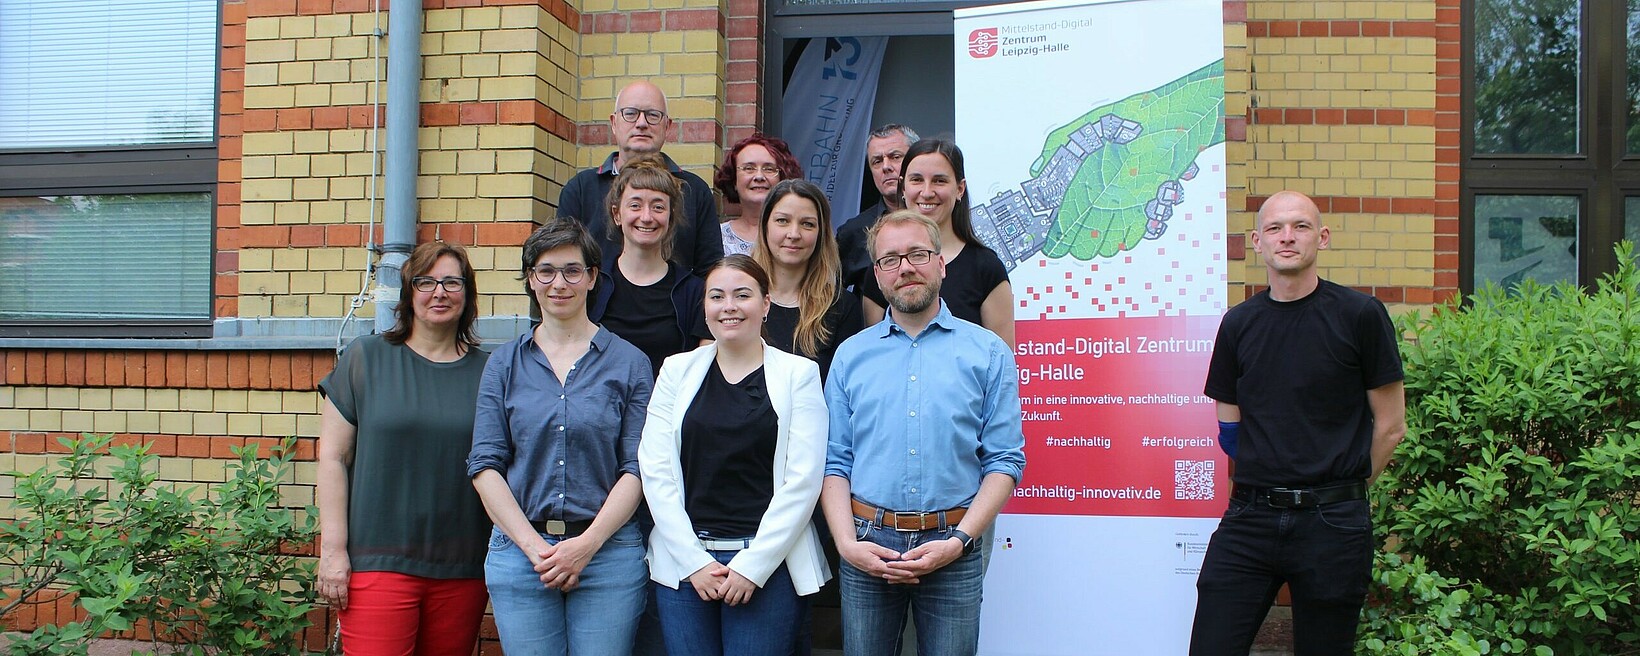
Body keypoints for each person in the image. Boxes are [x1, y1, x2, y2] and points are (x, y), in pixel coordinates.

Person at [1188, 190, 1407, 655]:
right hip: (1250, 519)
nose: (1287, 237)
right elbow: (1229, 428)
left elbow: (1390, 426)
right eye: (1275, 228)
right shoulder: (1239, 323)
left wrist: (1342, 484)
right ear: (1257, 242)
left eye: (1300, 227)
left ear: (1321, 238)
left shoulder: (1360, 316)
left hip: (1332, 522)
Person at [820, 210, 1025, 656]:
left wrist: (958, 542)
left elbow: (1005, 460)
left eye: (917, 253)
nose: (905, 267)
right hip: (866, 546)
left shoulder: (988, 352)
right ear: (877, 275)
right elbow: (834, 461)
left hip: (954, 545)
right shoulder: (850, 356)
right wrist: (846, 545)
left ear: (940, 263)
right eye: (890, 259)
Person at [468, 219, 654, 656]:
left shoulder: (630, 363)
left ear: (592, 277)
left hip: (607, 552)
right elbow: (485, 465)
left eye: (573, 270)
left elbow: (638, 467)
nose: (559, 283)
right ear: (531, 280)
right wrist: (536, 549)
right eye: (545, 271)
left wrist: (584, 547)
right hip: (520, 552)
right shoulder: (503, 364)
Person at [639, 255, 831, 656]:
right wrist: (693, 561)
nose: (729, 306)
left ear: (765, 304)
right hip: (685, 564)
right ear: (704, 307)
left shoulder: (799, 375)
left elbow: (804, 480)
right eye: (717, 296)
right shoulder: (676, 371)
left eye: (742, 295)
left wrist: (753, 565)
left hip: (769, 566)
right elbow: (655, 470)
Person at [317, 241, 491, 656]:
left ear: (467, 294)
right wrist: (333, 551)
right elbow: (333, 459)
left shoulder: (492, 372)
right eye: (426, 281)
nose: (439, 292)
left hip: (463, 564)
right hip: (377, 560)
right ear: (409, 293)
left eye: (452, 281)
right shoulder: (367, 358)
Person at [857, 139, 1015, 348]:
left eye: (939, 181)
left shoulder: (986, 268)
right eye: (916, 180)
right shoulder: (884, 268)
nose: (927, 192)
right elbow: (873, 352)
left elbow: (1001, 363)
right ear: (903, 187)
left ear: (960, 189)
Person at [558, 80, 723, 275]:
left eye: (653, 115)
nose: (642, 123)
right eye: (630, 113)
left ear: (667, 126)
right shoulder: (580, 189)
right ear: (614, 122)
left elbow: (710, 270)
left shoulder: (694, 190)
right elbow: (562, 262)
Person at [589, 153, 714, 380]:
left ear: (671, 216)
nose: (646, 217)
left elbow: (700, 374)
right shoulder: (592, 285)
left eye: (658, 207)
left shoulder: (694, 292)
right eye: (635, 205)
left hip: (668, 410)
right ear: (617, 214)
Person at [752, 178, 863, 378]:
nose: (794, 234)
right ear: (764, 226)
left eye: (807, 224)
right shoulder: (737, 297)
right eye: (782, 221)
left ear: (820, 234)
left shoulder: (842, 307)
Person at [835, 124, 917, 298]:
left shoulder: (940, 218)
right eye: (877, 161)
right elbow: (831, 299)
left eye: (895, 157)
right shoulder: (853, 232)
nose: (886, 167)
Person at [714, 135, 803, 257]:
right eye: (749, 168)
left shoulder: (796, 235)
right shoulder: (716, 237)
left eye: (769, 169)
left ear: (782, 178)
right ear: (734, 180)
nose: (759, 176)